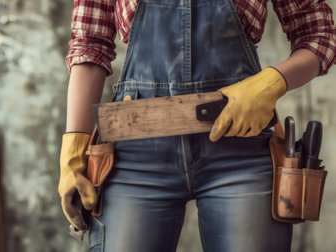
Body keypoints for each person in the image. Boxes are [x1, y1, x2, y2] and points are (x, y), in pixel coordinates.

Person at [59, 0, 336, 251]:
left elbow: (319, 35)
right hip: (135, 158)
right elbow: (90, 45)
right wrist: (73, 150)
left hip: (241, 154)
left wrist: (272, 82)